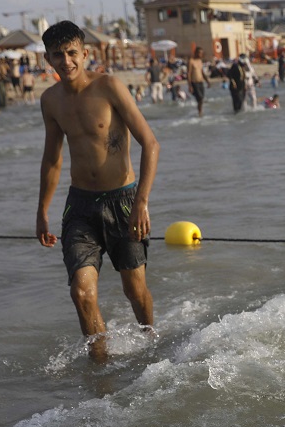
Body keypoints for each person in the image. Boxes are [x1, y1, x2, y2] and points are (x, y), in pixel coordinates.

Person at [35, 21, 160, 362]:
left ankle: (151, 343)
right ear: (48, 59)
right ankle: (101, 369)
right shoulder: (50, 101)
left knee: (134, 290)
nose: (66, 61)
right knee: (81, 293)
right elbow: (52, 160)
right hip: (79, 207)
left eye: (72, 53)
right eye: (58, 55)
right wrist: (42, 212)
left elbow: (150, 143)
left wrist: (141, 203)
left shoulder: (109, 87)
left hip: (123, 202)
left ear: (85, 53)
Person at [187, 47, 210, 116]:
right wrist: (190, 86)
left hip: (201, 82)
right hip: (194, 82)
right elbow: (189, 73)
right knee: (199, 98)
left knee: (201, 98)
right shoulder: (191, 61)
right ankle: (199, 112)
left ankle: (200, 111)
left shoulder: (200, 61)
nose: (201, 54)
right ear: (196, 53)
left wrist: (207, 81)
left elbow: (202, 72)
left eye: (202, 53)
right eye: (199, 53)